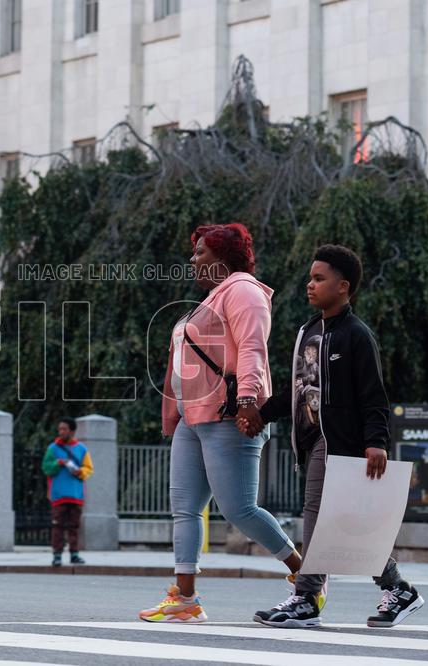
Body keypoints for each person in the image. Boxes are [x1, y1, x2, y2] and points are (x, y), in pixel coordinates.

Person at [241, 244, 424, 629]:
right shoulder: (308, 332)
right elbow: (297, 389)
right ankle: (397, 587)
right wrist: (262, 414)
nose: (310, 284)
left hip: (342, 441)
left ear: (343, 287)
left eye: (319, 278)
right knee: (343, 524)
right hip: (312, 439)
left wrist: (376, 442)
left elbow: (373, 395)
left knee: (319, 515)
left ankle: (307, 596)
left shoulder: (357, 335)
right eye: (310, 277)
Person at [139, 223, 303, 624]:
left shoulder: (243, 290)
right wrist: (172, 413)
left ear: (223, 257)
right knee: (185, 509)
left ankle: (307, 574)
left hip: (228, 415)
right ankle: (185, 598)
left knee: (239, 509)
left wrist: (248, 400)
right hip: (192, 419)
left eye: (200, 252)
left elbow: (252, 347)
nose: (192, 259)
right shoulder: (209, 300)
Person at [41, 417, 94, 567]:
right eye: (60, 429)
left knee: (74, 526)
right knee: (57, 525)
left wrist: (80, 471)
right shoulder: (53, 448)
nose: (61, 432)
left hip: (76, 494)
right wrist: (58, 463)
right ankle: (57, 555)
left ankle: (74, 554)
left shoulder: (82, 449)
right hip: (58, 494)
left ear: (72, 431)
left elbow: (89, 469)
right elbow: (46, 468)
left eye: (64, 429)